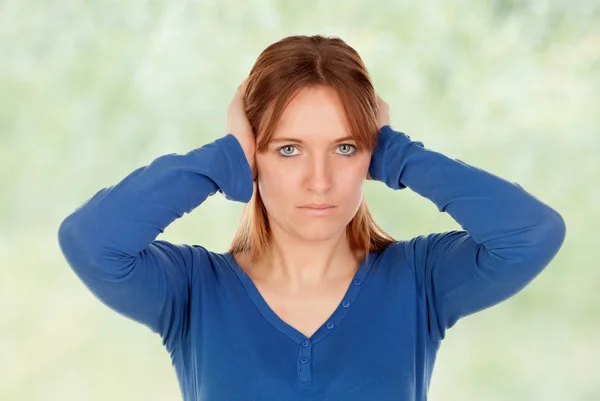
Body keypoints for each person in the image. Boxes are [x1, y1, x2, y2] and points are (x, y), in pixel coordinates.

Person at [57, 34, 566, 400]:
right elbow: (91, 240)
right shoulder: (192, 291)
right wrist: (226, 157)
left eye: (345, 147)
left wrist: (395, 154)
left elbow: (531, 233)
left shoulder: (419, 280)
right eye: (289, 149)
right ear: (255, 154)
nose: (319, 180)